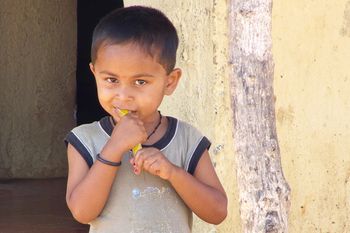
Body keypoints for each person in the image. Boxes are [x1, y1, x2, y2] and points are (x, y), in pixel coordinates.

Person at [65, 5, 227, 233]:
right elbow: (82, 212)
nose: (123, 96)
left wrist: (173, 172)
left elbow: (217, 212)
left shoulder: (187, 140)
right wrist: (113, 148)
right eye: (111, 80)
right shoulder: (85, 140)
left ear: (170, 82)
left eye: (140, 82)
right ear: (94, 74)